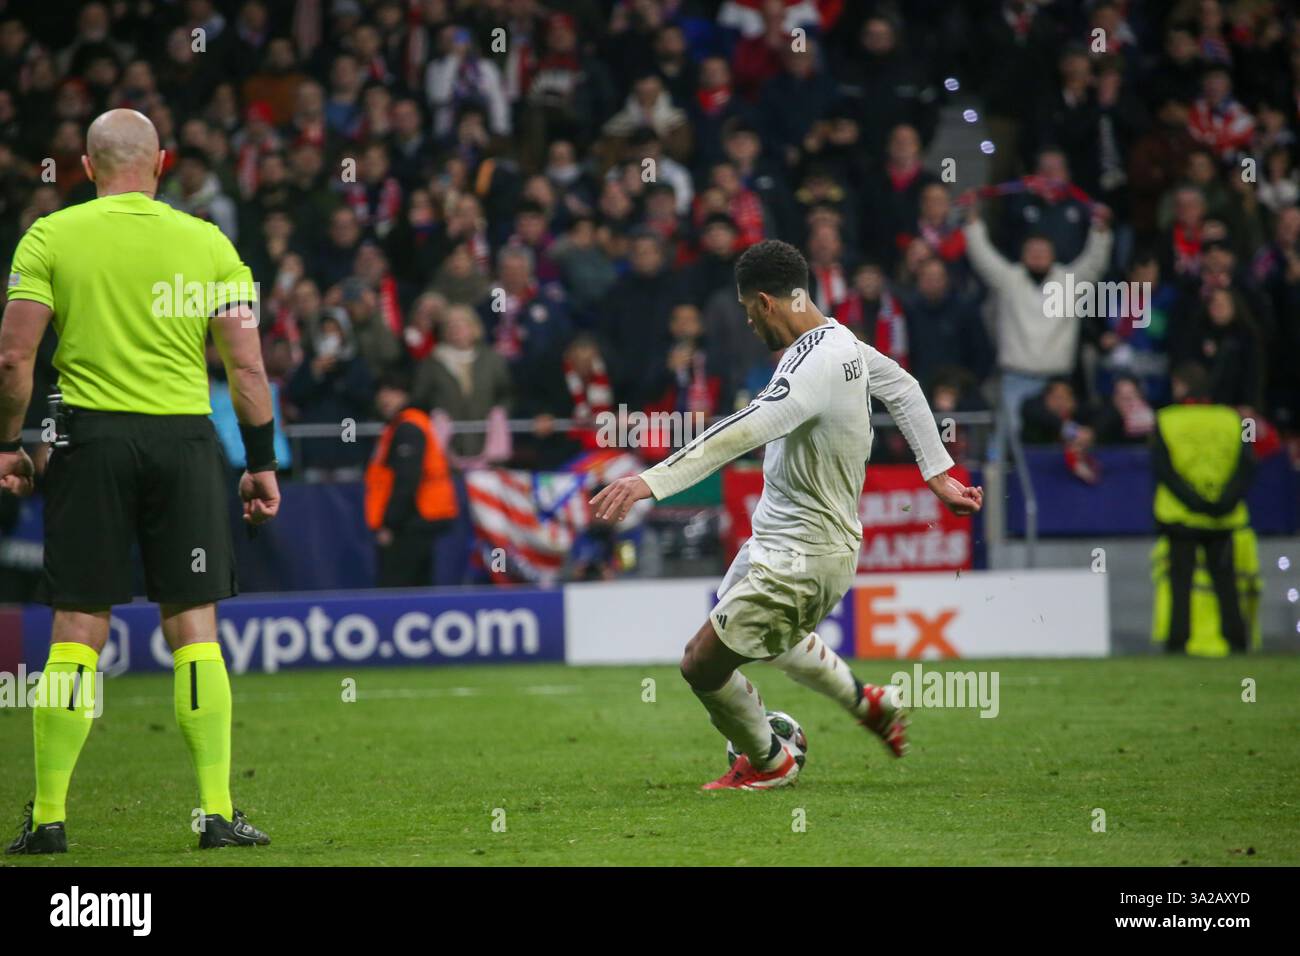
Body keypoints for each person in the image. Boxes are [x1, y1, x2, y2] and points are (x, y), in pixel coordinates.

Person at [590, 240, 983, 790]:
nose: (751, 325)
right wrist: (937, 473)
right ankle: (868, 703)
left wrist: (649, 480)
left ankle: (769, 761)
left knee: (701, 664)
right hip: (779, 544)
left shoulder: (814, 363)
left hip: (806, 554)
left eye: (751, 312)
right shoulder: (841, 342)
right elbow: (905, 387)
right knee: (771, 640)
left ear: (769, 303)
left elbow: (745, 429)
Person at [0, 109, 280, 853]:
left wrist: (6, 446)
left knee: (77, 630)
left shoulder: (50, 236)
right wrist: (259, 462)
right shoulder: (209, 241)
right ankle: (216, 813)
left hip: (90, 439)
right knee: (194, 628)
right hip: (185, 443)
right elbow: (246, 365)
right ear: (163, 164)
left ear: (87, 168)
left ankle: (51, 818)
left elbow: (12, 359)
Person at [1152, 363, 1254, 654]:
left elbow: (1164, 470)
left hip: (1180, 516)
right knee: (1225, 582)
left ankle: (1177, 641)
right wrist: (1224, 500)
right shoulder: (1233, 419)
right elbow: (1247, 465)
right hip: (1224, 516)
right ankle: (1237, 640)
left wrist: (1194, 502)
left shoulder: (1166, 420)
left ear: (1181, 386)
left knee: (1180, 583)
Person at [364, 374, 457, 589]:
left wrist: (390, 523)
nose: (384, 399)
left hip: (412, 522)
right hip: (418, 519)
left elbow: (407, 480)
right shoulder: (406, 424)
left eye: (392, 392)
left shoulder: (408, 427)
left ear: (404, 394)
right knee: (419, 589)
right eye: (382, 393)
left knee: (395, 588)